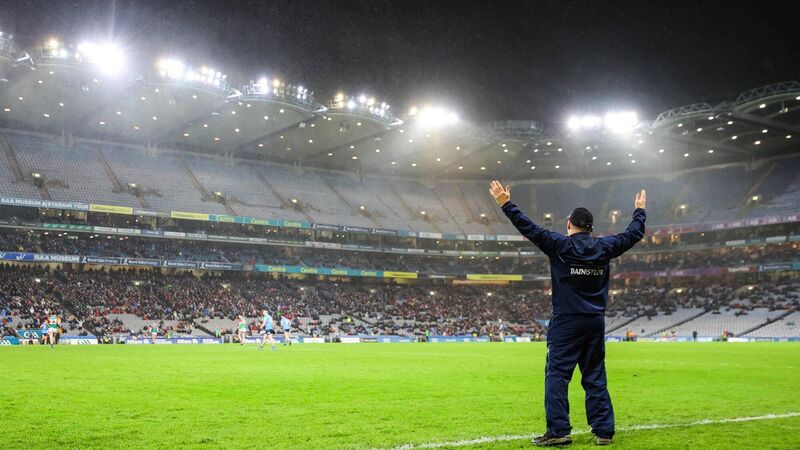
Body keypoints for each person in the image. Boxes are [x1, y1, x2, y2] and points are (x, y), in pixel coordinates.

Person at [490, 180, 646, 447]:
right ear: (591, 228)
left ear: (569, 224)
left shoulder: (560, 245)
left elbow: (529, 228)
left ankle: (558, 430)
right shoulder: (604, 246)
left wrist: (505, 203)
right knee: (595, 375)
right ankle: (604, 431)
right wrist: (639, 211)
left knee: (558, 375)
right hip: (594, 321)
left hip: (567, 321)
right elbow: (633, 234)